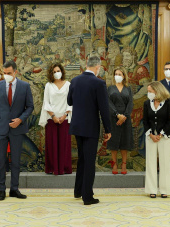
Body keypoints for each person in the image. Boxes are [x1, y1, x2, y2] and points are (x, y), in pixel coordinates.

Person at [68, 55, 112, 205]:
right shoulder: (99, 83)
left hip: (77, 126)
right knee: (89, 161)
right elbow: (104, 109)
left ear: (86, 65)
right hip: (91, 127)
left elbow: (69, 101)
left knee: (82, 159)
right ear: (97, 67)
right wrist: (108, 129)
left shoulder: (74, 81)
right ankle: (88, 196)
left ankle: (78, 191)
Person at [0, 60, 34, 201]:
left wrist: (20, 119)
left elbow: (30, 107)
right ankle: (1, 190)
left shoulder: (25, 86)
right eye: (4, 73)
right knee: (1, 161)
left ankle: (14, 189)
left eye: (9, 73)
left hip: (17, 129)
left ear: (15, 72)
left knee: (16, 161)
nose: (6, 75)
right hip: (0, 129)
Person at [38, 63, 72, 175]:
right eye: (54, 72)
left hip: (65, 119)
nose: (57, 73)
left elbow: (71, 102)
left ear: (62, 71)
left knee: (64, 145)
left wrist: (64, 115)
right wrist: (53, 116)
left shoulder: (68, 85)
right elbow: (46, 102)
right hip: (51, 119)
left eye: (58, 71)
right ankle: (53, 168)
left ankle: (63, 168)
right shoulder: (48, 85)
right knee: (52, 144)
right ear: (51, 74)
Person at [143, 81, 170, 198]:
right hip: (151, 137)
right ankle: (152, 189)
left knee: (164, 163)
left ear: (157, 91)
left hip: (165, 137)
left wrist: (160, 134)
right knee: (150, 162)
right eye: (148, 91)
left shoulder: (168, 103)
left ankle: (164, 189)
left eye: (150, 91)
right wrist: (151, 134)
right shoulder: (147, 104)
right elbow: (145, 121)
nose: (149, 93)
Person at [107, 66, 133, 174]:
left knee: (124, 141)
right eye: (116, 74)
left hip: (125, 119)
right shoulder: (110, 88)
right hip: (113, 118)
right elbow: (108, 103)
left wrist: (124, 116)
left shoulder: (128, 89)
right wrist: (117, 115)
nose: (117, 76)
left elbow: (130, 103)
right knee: (113, 142)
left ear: (124, 76)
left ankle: (123, 164)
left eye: (119, 74)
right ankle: (114, 164)